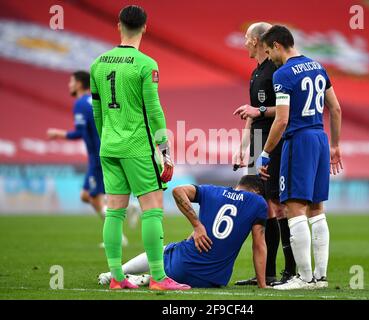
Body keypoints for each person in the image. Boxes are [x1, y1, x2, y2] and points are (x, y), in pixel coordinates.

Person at [90, 5, 188, 291]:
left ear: (118, 25)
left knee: (115, 212)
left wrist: (106, 138)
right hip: (137, 147)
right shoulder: (146, 64)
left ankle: (117, 278)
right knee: (153, 209)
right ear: (145, 28)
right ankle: (158, 277)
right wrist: (164, 147)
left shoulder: (98, 63)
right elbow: (154, 110)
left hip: (109, 147)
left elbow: (96, 111)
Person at [257, 25, 343, 290]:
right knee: (317, 209)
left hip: (299, 141)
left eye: (269, 50)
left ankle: (304, 278)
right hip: (320, 138)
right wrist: (336, 146)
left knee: (294, 208)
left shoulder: (283, 74)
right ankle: (320, 277)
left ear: (278, 46)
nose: (269, 56)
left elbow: (281, 120)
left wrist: (265, 153)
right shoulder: (318, 66)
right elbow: (336, 108)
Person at [98, 175, 268, 289]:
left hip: (179, 266)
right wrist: (262, 285)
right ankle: (146, 278)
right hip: (213, 279)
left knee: (168, 248)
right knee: (185, 248)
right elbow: (259, 245)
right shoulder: (259, 203)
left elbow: (178, 190)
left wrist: (197, 225)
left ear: (239, 185)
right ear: (258, 192)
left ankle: (116, 273)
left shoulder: (213, 191)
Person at [232, 22, 296, 286]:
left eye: (247, 37)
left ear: (258, 41)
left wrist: (258, 112)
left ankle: (289, 271)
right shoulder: (256, 71)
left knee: (276, 207)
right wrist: (243, 148)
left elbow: (281, 111)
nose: (244, 42)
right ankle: (266, 274)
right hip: (258, 142)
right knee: (261, 208)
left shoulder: (276, 70)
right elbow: (252, 113)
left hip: (274, 143)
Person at [46, 71, 128, 247]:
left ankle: (117, 237)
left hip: (97, 156)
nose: (69, 85)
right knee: (86, 196)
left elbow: (79, 133)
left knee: (95, 198)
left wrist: (57, 133)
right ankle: (128, 211)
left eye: (71, 81)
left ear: (79, 84)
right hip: (104, 152)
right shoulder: (95, 101)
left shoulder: (81, 104)